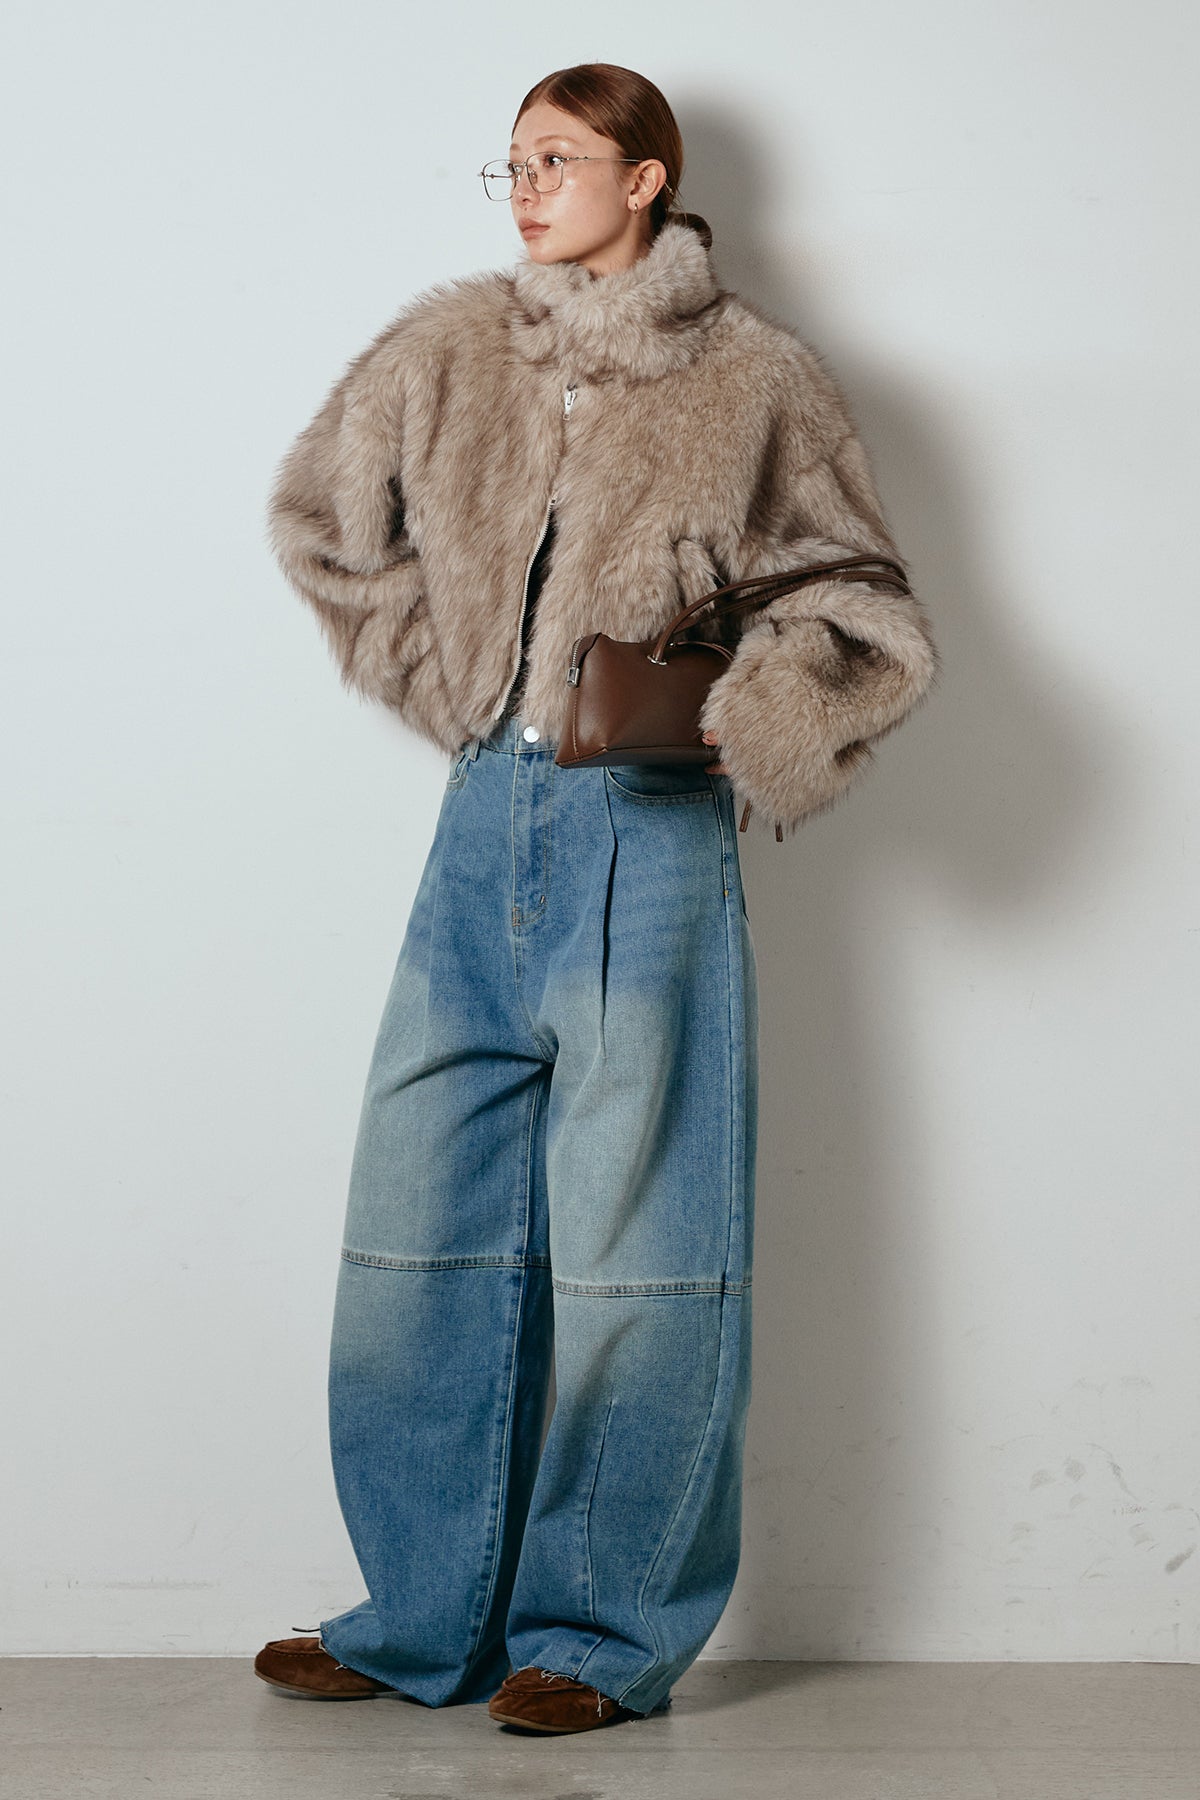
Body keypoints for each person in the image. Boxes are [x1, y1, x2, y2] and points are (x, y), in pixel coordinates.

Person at [254, 62, 938, 1735]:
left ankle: (599, 1635)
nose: (525, 187)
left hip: (648, 825)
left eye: (556, 159)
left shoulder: (757, 374)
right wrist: (454, 686)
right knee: (421, 1223)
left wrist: (742, 710)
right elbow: (322, 522)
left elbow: (863, 607)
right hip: (481, 823)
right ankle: (423, 1618)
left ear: (646, 179)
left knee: (648, 1246)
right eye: (510, 163)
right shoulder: (448, 352)